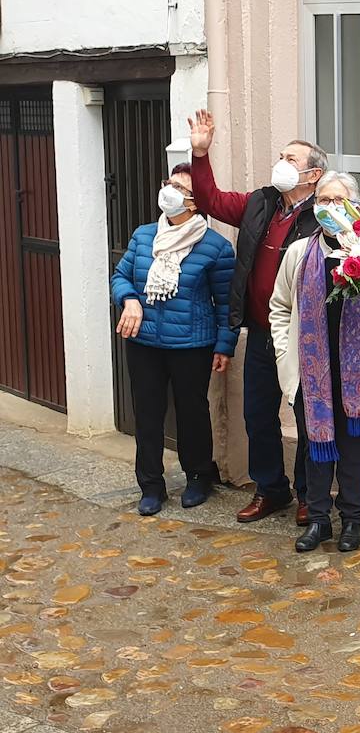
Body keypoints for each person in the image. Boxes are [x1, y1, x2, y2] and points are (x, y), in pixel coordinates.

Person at [189, 109, 325, 525]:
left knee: (305, 417)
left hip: (303, 337)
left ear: (314, 175)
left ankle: (310, 495)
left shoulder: (323, 214)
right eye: (281, 156)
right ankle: (271, 490)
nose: (281, 164)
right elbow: (210, 201)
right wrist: (200, 154)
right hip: (262, 333)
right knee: (257, 416)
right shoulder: (261, 203)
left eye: (292, 159)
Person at [269, 172, 360, 554]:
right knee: (315, 450)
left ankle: (352, 521)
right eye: (322, 200)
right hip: (310, 375)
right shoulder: (299, 253)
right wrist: (286, 356)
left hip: (356, 376)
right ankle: (318, 520)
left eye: (336, 200)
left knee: (352, 453)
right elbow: (279, 308)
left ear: (354, 207)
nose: (327, 207)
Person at [111, 163, 237, 516]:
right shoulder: (143, 235)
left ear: (196, 203)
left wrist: (224, 345)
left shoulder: (215, 247)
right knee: (147, 414)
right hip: (144, 342)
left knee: (192, 413)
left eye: (180, 189)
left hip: (191, 345)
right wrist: (130, 299)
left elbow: (227, 303)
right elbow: (120, 276)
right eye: (169, 183)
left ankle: (198, 476)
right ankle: (151, 485)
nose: (169, 191)